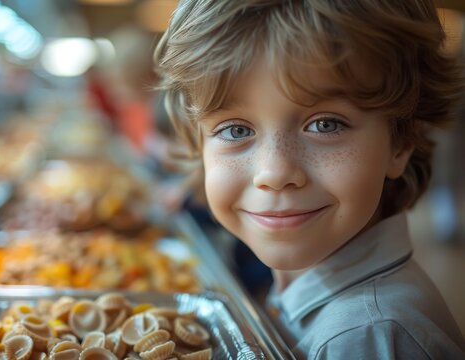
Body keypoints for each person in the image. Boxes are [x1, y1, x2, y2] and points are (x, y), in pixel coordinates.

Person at [154, 1, 465, 358]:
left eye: (325, 124)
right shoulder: (307, 286)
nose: (274, 173)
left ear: (400, 142)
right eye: (236, 129)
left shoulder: (366, 339)